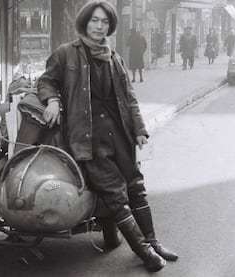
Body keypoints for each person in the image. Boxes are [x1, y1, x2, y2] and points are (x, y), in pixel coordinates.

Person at [37, 0, 178, 272]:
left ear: (110, 26)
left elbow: (130, 98)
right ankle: (145, 253)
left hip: (120, 135)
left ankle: (153, 241)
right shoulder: (66, 54)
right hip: (88, 140)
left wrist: (138, 130)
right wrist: (52, 100)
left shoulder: (115, 59)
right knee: (116, 195)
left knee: (136, 187)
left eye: (104, 22)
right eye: (94, 21)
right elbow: (46, 80)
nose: (99, 26)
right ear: (85, 22)